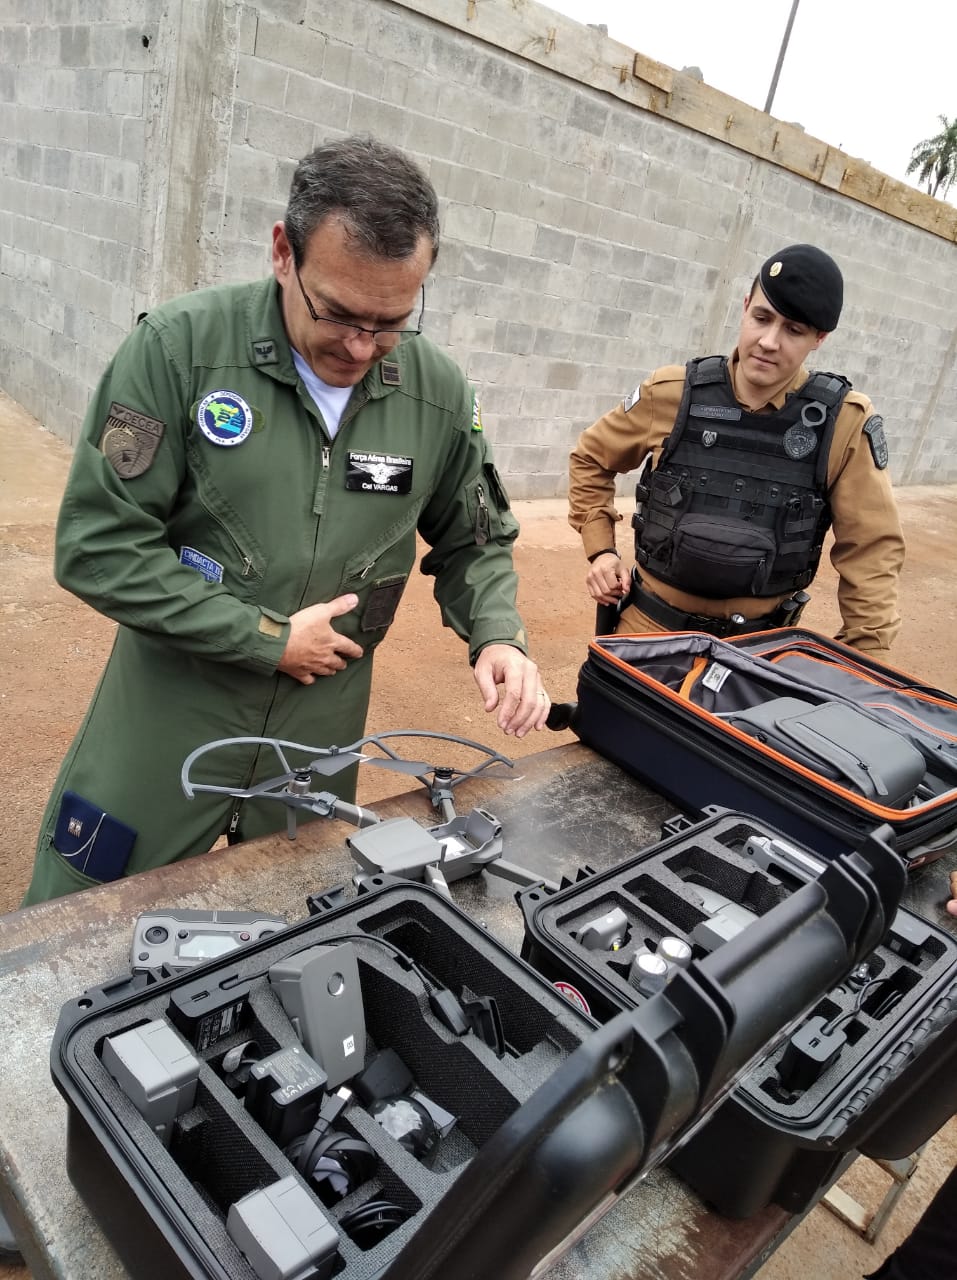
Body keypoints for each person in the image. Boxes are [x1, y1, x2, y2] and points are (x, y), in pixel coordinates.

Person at [23, 134, 549, 905]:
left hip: (320, 721)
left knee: (293, 918)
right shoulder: (179, 351)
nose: (363, 345)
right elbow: (98, 546)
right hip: (175, 700)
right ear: (282, 252)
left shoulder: (434, 393)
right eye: (338, 313)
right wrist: (264, 639)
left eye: (393, 320)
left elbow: (476, 538)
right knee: (87, 912)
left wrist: (497, 632)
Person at [569, 244, 904, 658]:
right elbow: (591, 458)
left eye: (793, 330)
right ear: (745, 306)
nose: (768, 341)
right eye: (762, 318)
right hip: (647, 634)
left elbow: (872, 549)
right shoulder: (672, 393)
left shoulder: (844, 424)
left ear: (819, 338)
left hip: (758, 654)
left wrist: (862, 663)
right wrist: (601, 551)